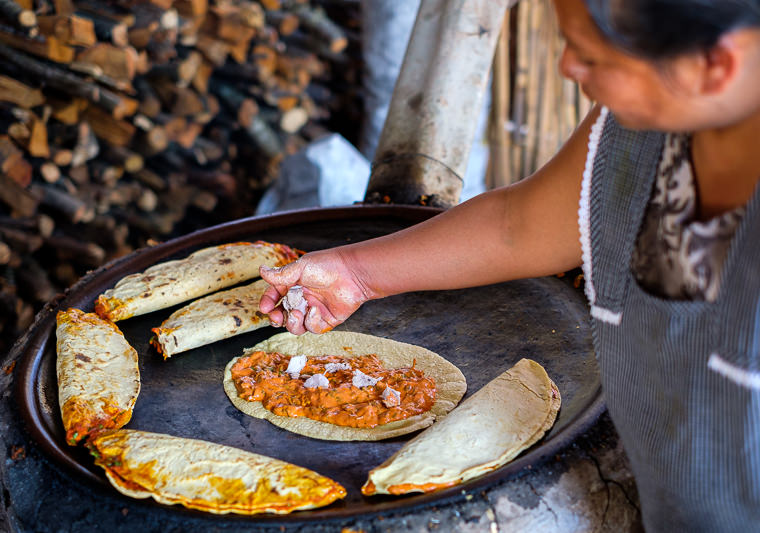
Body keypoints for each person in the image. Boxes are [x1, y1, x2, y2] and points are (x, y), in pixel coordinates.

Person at [258, 0, 760, 530]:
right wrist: (354, 274)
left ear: (714, 66)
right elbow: (515, 226)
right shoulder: (641, 132)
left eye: (593, 57)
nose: (568, 67)